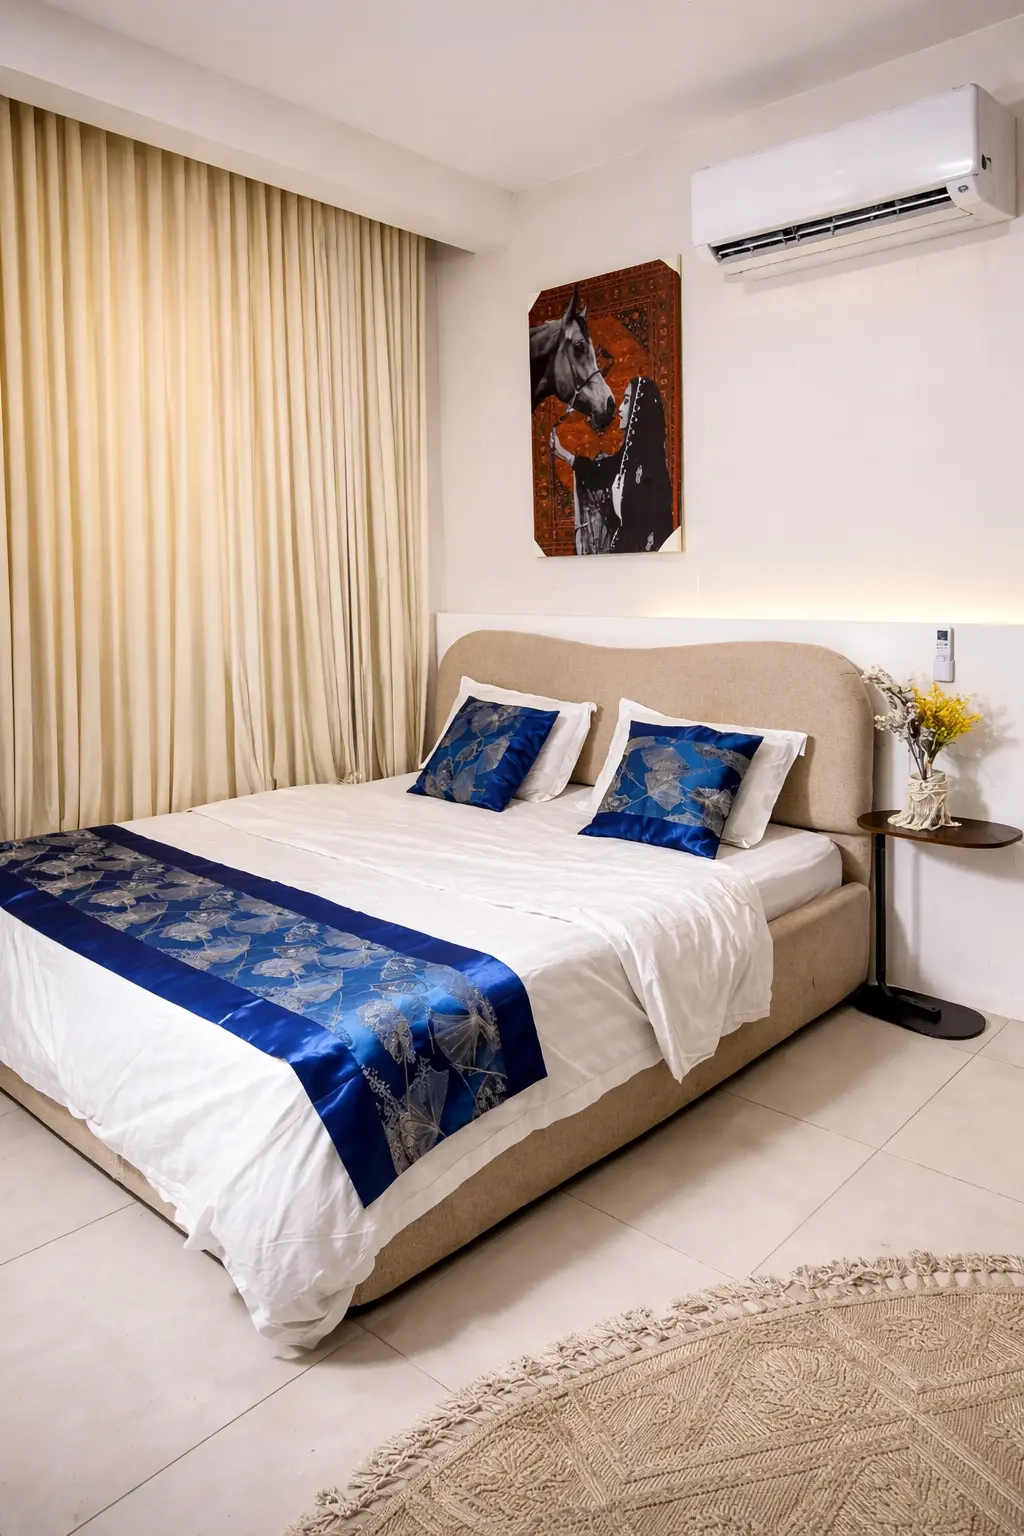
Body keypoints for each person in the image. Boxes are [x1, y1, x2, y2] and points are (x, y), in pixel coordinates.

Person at [550, 376, 674, 555]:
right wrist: (563, 453)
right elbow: (599, 473)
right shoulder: (626, 458)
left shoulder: (652, 470)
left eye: (626, 401)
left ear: (639, 409)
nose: (620, 409)